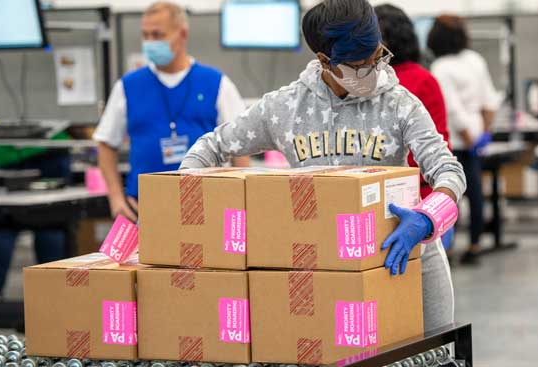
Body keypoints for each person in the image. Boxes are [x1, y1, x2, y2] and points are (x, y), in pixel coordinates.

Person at [180, 0, 466, 332]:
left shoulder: (400, 105)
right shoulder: (285, 109)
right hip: (325, 276)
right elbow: (211, 146)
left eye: (378, 58)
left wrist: (428, 217)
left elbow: (449, 170)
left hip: (404, 261)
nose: (373, 72)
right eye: (360, 66)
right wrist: (185, 203)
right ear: (325, 61)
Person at [94, 1, 249, 223]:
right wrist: (116, 198)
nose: (150, 42)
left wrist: (239, 204)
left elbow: (239, 146)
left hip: (207, 206)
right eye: (145, 35)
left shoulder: (216, 83)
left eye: (157, 35)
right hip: (143, 209)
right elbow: (105, 143)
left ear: (182, 34)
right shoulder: (128, 86)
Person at [375, 4, 455, 250]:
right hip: (410, 198)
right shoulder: (419, 79)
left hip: (416, 200)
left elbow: (434, 150)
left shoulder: (404, 84)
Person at [428, 15, 499, 264]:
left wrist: (468, 138)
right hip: (477, 137)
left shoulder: (440, 67)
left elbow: (453, 110)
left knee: (450, 192)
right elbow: (489, 100)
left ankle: (446, 248)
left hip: (457, 142)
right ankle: (475, 244)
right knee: (476, 193)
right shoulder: (475, 60)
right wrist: (483, 134)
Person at [0, 146, 70, 303]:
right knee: (49, 221)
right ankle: (54, 295)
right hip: (45, 150)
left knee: (3, 226)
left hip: (7, 151)